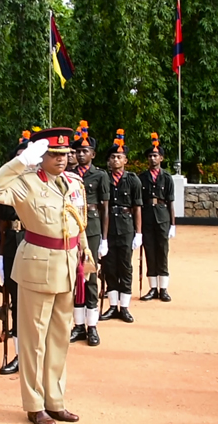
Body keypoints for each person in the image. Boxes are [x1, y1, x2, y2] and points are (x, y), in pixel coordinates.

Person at [0, 127, 91, 424]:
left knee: (59, 338)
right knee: (33, 340)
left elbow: (78, 220)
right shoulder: (25, 183)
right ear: (40, 156)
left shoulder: (73, 183)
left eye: (65, 154)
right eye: (54, 154)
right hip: (37, 266)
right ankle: (34, 403)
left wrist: (85, 251)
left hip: (67, 265)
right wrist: (19, 163)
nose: (62, 160)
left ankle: (55, 400)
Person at [70, 121, 109, 347]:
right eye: (78, 151)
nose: (80, 154)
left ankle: (92, 325)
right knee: (75, 276)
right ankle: (78, 325)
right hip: (72, 227)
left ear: (93, 154)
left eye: (85, 151)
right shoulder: (69, 174)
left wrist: (104, 238)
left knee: (90, 275)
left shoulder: (100, 175)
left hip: (92, 228)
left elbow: (104, 208)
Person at [0, 132, 30, 375]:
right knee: (16, 300)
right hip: (10, 241)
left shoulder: (42, 184)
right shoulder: (5, 185)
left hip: (33, 240)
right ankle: (19, 353)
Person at [99, 130, 142, 323]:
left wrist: (138, 233)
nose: (115, 160)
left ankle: (124, 306)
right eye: (112, 157)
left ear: (125, 160)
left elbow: (137, 207)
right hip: (108, 228)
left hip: (125, 227)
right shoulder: (104, 178)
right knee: (109, 266)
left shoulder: (133, 180)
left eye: (119, 157)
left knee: (125, 266)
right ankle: (113, 305)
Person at [140, 133, 175, 302]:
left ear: (161, 158)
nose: (152, 158)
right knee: (150, 251)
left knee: (162, 251)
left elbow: (170, 202)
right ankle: (152, 287)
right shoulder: (142, 177)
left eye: (155, 156)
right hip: (147, 216)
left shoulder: (166, 177)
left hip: (162, 216)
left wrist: (173, 224)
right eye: (150, 156)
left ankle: (163, 288)